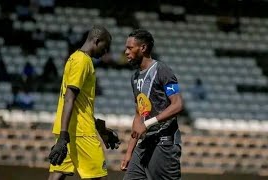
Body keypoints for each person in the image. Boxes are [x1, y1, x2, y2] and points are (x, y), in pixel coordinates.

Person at [48, 25, 120, 180]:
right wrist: (62, 137)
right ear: (96, 41)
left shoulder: (74, 58)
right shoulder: (82, 61)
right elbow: (69, 98)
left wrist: (101, 129)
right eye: (105, 47)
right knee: (98, 177)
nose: (105, 52)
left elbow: (80, 105)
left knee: (57, 175)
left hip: (69, 130)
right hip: (81, 133)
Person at [120, 29, 184, 180]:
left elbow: (178, 104)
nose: (126, 52)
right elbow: (138, 115)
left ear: (142, 48)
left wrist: (148, 123)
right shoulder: (134, 77)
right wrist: (129, 152)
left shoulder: (162, 70)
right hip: (144, 145)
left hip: (163, 143)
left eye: (130, 48)